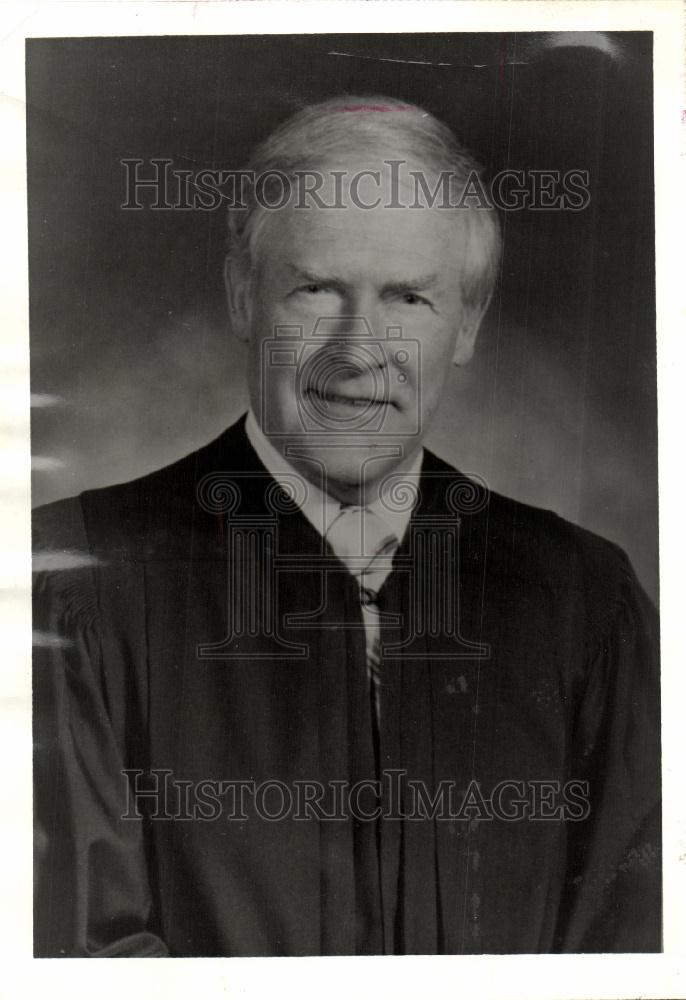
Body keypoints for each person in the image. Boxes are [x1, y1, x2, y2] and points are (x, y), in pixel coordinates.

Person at [32, 95, 661, 957]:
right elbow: (74, 961)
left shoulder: (586, 601)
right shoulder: (76, 586)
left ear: (467, 323)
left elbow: (631, 955)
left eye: (408, 298)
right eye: (318, 289)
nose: (359, 347)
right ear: (243, 296)